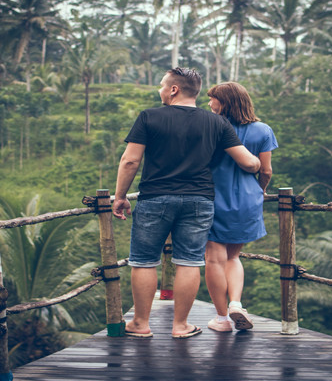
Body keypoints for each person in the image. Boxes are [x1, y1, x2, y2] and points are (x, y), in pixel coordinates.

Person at [112, 68, 261, 339]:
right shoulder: (216, 122)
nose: (159, 90)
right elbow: (248, 162)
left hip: (155, 197)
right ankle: (180, 326)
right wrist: (259, 164)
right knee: (189, 262)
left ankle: (140, 324)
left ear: (173, 89)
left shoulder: (149, 117)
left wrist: (120, 196)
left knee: (144, 262)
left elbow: (130, 160)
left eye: (162, 85)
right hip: (199, 200)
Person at [204, 82, 278, 332]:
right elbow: (266, 170)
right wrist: (261, 190)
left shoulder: (211, 127)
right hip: (248, 199)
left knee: (214, 259)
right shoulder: (263, 130)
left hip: (214, 197)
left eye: (212, 99)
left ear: (224, 102)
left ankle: (222, 318)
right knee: (233, 256)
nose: (209, 104)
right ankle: (236, 303)